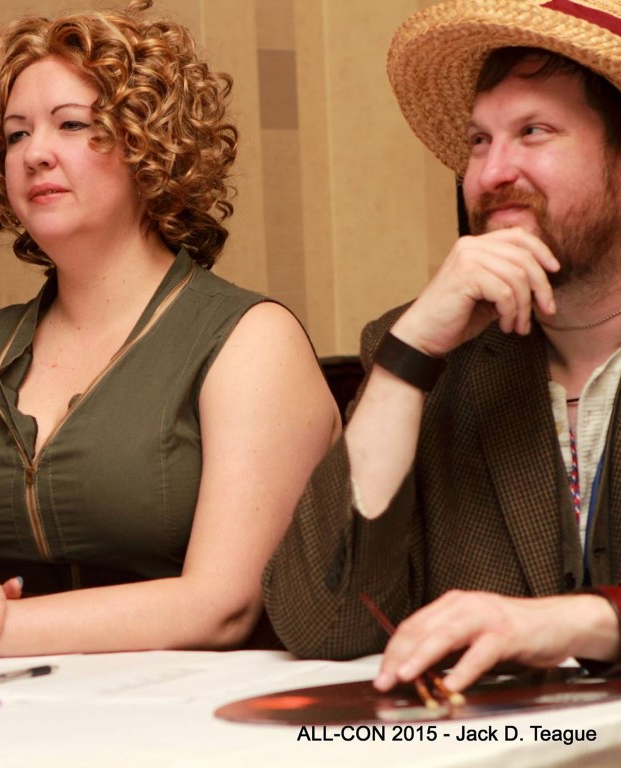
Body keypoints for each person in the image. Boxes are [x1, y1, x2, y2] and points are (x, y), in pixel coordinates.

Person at [0, 0, 341, 657]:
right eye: (15, 135)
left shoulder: (251, 341)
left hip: (188, 707)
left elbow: (221, 607)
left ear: (148, 144)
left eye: (71, 124)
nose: (35, 154)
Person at [263, 0, 621, 695]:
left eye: (533, 131)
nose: (491, 173)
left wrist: (585, 621)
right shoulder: (433, 355)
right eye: (479, 141)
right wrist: (409, 356)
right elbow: (324, 625)